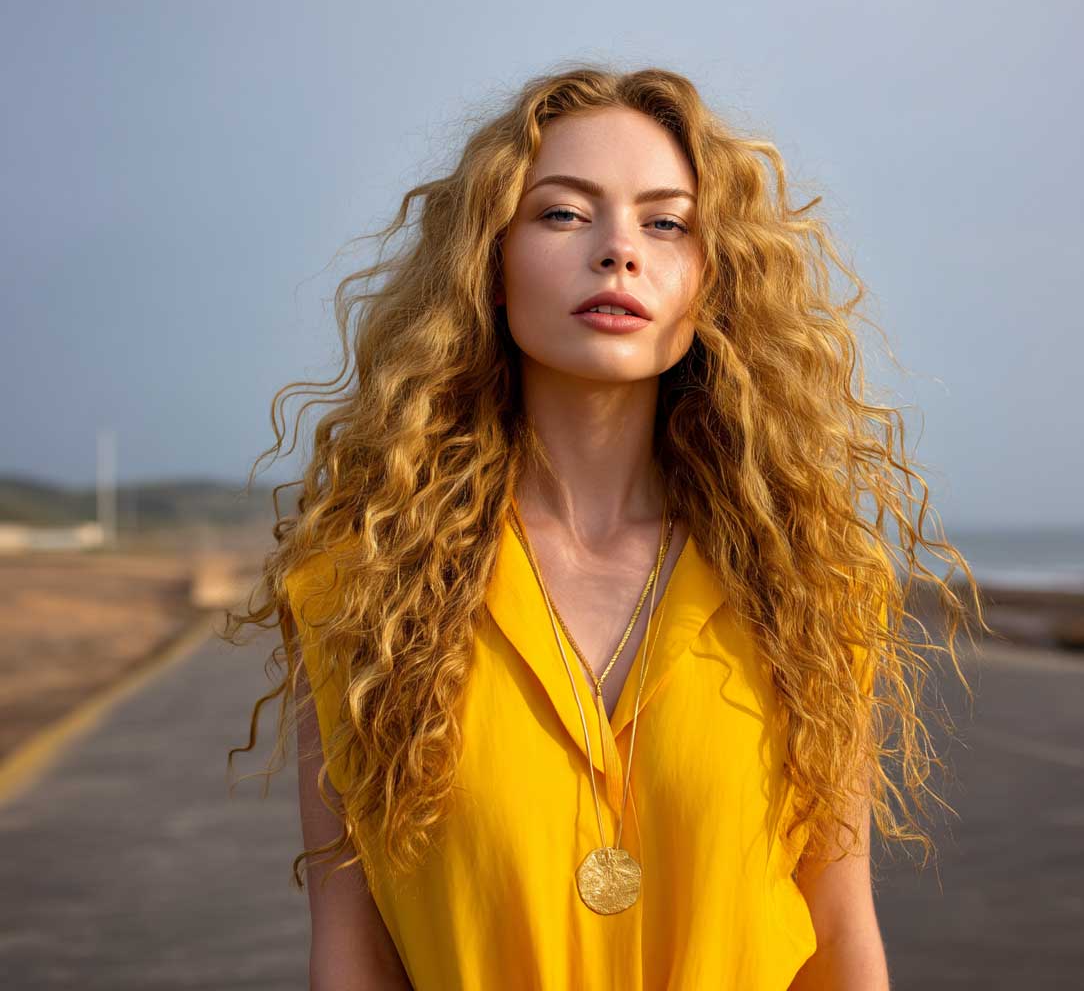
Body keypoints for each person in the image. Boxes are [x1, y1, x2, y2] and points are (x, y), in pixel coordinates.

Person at [224, 63, 983, 990]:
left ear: (712, 280)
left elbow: (841, 933)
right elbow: (350, 950)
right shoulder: (360, 589)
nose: (619, 250)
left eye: (666, 222)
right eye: (562, 213)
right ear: (488, 268)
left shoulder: (811, 584)